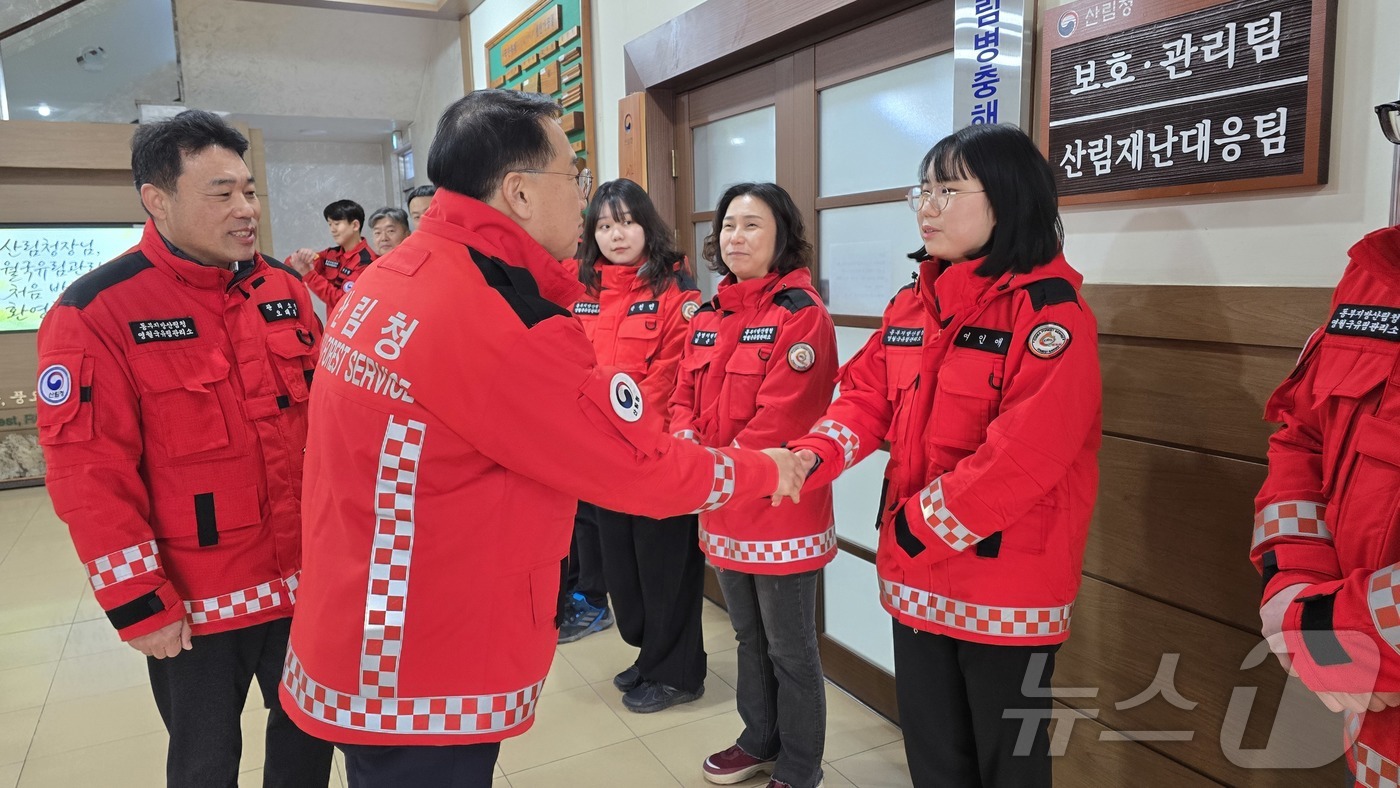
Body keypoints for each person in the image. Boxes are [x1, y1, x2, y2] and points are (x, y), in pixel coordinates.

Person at [279, 89, 806, 788]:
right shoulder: (498, 316)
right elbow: (639, 469)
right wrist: (763, 471)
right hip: (422, 650)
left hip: (368, 618)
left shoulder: (393, 277)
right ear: (519, 192)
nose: (585, 204)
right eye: (576, 179)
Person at [785, 123, 1102, 788]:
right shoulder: (912, 303)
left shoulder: (1050, 316)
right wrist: (813, 455)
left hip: (1006, 582)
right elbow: (865, 399)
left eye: (947, 190)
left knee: (1007, 762)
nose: (927, 207)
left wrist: (912, 529)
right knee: (932, 750)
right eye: (922, 191)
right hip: (918, 577)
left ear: (1009, 198)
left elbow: (1025, 458)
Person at [35, 109, 333, 788]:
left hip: (305, 585)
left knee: (311, 745)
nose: (246, 210)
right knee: (204, 765)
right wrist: (139, 602)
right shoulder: (95, 313)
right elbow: (88, 474)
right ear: (157, 199)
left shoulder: (283, 292)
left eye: (250, 190)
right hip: (198, 606)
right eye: (221, 193)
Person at [1252, 97, 1400, 785]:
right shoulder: (1374, 276)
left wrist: (1349, 628)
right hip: (1366, 723)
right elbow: (1303, 435)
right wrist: (1291, 587)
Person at [677, 183, 838, 788]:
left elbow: (783, 421)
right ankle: (758, 738)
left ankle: (800, 766)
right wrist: (685, 447)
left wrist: (711, 472)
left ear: (782, 238)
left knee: (790, 649)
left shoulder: (802, 316)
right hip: (720, 506)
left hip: (780, 511)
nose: (735, 237)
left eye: (752, 226)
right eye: (728, 226)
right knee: (746, 635)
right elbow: (682, 399)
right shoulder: (709, 313)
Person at [564, 178, 707, 710]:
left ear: (647, 225)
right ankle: (650, 657)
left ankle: (678, 672)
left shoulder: (677, 292)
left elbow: (670, 375)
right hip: (601, 459)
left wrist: (620, 430)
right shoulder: (585, 293)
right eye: (604, 225)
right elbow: (574, 368)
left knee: (664, 569)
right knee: (622, 571)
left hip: (654, 456)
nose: (615, 234)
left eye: (626, 222)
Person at [286, 199, 378, 309]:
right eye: (330, 224)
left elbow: (343, 302)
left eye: (337, 224)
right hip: (332, 324)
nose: (332, 230)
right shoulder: (331, 254)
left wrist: (309, 275)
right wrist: (302, 254)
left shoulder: (367, 262)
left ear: (355, 225)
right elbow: (290, 266)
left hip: (351, 324)